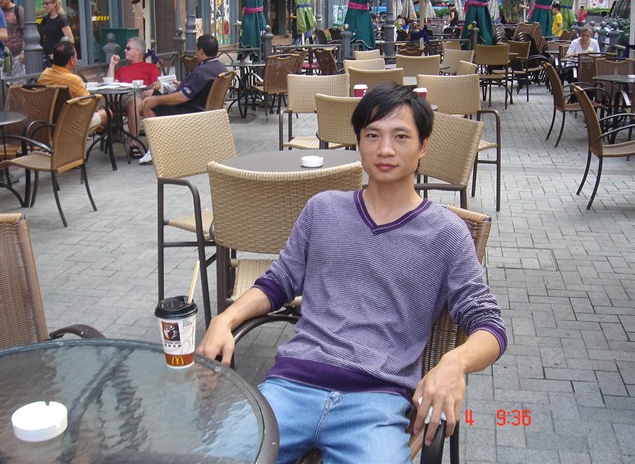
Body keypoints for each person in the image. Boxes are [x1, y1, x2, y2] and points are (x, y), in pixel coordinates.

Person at [197, 83, 507, 462]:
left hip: (376, 403)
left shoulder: (446, 233)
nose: (385, 149)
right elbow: (278, 282)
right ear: (358, 142)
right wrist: (225, 319)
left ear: (423, 146)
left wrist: (454, 362)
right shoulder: (323, 209)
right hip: (292, 386)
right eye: (372, 135)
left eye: (401, 136)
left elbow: (489, 325)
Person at [139, 34, 226, 164]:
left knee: (148, 104)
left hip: (192, 110)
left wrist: (156, 100)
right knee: (158, 99)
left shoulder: (202, 71)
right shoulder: (220, 67)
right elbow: (198, 87)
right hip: (206, 108)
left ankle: (155, 148)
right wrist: (182, 84)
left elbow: (182, 97)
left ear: (201, 51)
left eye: (196, 49)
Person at [106, 36, 160, 159]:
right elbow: (110, 83)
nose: (125, 50)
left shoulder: (150, 67)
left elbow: (158, 82)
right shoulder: (122, 69)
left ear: (138, 51)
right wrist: (112, 65)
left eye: (128, 48)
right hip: (120, 97)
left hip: (139, 96)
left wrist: (152, 87)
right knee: (105, 101)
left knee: (133, 103)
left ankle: (133, 143)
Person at [38, 41, 107, 132]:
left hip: (48, 124)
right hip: (72, 126)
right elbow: (90, 106)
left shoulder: (44, 75)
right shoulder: (74, 80)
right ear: (72, 60)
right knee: (106, 113)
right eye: (76, 56)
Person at [0, 0, 25, 77]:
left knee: (18, 82)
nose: (0, 0)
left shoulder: (18, 10)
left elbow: (25, 32)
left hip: (17, 53)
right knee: (2, 81)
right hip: (1, 54)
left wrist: (23, 52)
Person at [40, 0, 74, 67]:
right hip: (47, 56)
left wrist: (57, 54)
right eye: (44, 4)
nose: (45, 6)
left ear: (55, 4)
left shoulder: (61, 20)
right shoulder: (45, 19)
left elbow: (70, 39)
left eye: (47, 3)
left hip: (58, 58)